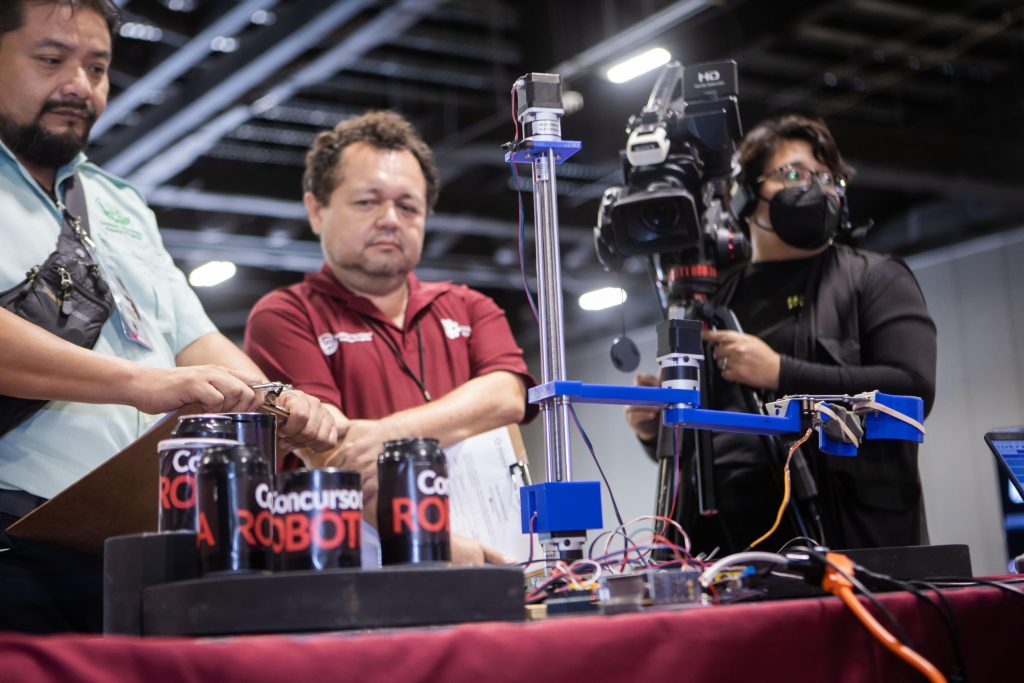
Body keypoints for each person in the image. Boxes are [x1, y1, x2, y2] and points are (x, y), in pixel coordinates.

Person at [0, 0, 337, 632]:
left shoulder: (119, 202)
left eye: (97, 68)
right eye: (50, 59)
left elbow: (192, 337)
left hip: (150, 542)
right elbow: (161, 376)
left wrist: (276, 400)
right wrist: (141, 383)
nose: (79, 85)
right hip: (17, 539)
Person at [626, 113, 937, 555]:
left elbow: (913, 388)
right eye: (792, 174)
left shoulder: (875, 279)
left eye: (826, 178)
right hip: (731, 553)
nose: (814, 188)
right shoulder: (713, 300)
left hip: (850, 543)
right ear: (745, 196)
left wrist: (780, 372)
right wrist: (655, 430)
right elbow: (704, 445)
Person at [244, 111, 537, 563]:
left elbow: (508, 395)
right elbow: (333, 456)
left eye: (408, 206)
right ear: (316, 210)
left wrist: (386, 435)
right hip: (351, 572)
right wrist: (441, 547)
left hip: (491, 556)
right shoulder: (286, 316)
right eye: (367, 202)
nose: (390, 219)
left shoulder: (469, 307)